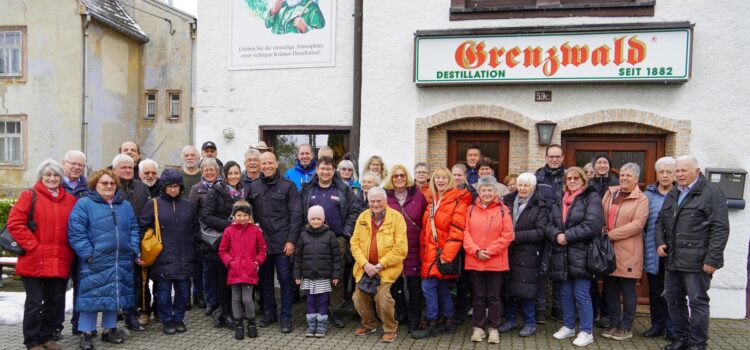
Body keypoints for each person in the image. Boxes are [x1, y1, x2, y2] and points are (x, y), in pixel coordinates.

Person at [655, 156, 730, 350]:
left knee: (697, 302)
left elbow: (720, 228)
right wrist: (660, 242)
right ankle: (682, 339)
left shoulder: (711, 193)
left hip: (698, 261)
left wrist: (712, 259)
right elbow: (660, 221)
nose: (679, 174)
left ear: (697, 171)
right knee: (673, 300)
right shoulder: (674, 192)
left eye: (684, 171)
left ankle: (698, 344)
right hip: (673, 259)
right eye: (677, 171)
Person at [67, 169, 141, 350]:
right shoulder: (84, 204)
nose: (109, 186)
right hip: (95, 260)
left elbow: (133, 228)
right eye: (104, 183)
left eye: (112, 183)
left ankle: (109, 330)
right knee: (90, 298)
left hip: (120, 259)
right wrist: (88, 254)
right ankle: (86, 333)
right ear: (95, 185)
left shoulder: (124, 205)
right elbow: (76, 231)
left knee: (113, 295)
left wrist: (132, 249)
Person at [8, 159, 77, 350]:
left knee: (54, 303)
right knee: (34, 303)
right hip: (34, 260)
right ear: (41, 177)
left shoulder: (70, 200)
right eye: (48, 175)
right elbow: (15, 223)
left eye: (56, 175)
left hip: (60, 260)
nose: (52, 178)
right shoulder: (29, 195)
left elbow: (75, 228)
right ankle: (32, 341)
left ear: (61, 178)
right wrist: (33, 246)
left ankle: (46, 337)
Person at [300, 156, 362, 328]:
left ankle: (333, 312)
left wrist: (345, 232)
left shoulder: (343, 189)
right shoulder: (308, 189)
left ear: (333, 171)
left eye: (329, 169)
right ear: (317, 170)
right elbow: (299, 212)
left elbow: (355, 211)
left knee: (336, 277)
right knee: (314, 275)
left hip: (336, 239)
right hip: (311, 239)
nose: (325, 172)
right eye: (322, 169)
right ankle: (317, 311)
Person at [411, 167, 471, 340]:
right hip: (429, 252)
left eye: (445, 177)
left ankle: (432, 322)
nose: (441, 180)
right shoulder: (432, 200)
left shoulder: (457, 200)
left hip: (441, 253)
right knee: (441, 286)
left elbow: (457, 230)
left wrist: (446, 256)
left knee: (428, 286)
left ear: (450, 180)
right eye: (437, 177)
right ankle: (448, 319)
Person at [247, 152, 303, 333]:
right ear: (260, 165)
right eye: (264, 163)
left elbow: (296, 215)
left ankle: (285, 317)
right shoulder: (253, 186)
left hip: (282, 243)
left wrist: (291, 240)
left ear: (277, 163)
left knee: (286, 280)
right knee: (265, 280)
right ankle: (270, 313)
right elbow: (248, 213)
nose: (267, 166)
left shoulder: (288, 186)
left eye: (270, 163)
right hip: (262, 244)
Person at [548, 167, 603, 347]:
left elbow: (593, 225)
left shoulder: (591, 197)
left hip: (582, 253)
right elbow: (549, 223)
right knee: (565, 293)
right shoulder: (559, 198)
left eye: (576, 178)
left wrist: (567, 236)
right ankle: (569, 326)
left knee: (581, 294)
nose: (572, 181)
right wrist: (556, 235)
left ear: (583, 180)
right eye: (568, 178)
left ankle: (587, 331)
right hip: (561, 254)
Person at [139, 169, 197, 335]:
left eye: (176, 186)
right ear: (164, 187)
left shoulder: (188, 205)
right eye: (170, 186)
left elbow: (195, 229)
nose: (173, 189)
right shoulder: (153, 204)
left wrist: (193, 247)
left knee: (184, 292)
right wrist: (139, 251)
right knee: (163, 293)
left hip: (184, 256)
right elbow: (142, 228)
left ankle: (179, 318)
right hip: (161, 257)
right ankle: (166, 319)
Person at [350, 187, 408, 343]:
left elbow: (401, 248)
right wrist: (365, 264)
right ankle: (369, 324)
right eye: (372, 201)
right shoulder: (362, 217)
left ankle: (390, 328)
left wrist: (381, 264)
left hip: (386, 269)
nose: (375, 204)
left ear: (385, 200)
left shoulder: (397, 218)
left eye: (378, 201)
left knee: (382, 298)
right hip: (365, 268)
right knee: (358, 297)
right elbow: (354, 243)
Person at [463, 176, 514, 344]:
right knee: (478, 296)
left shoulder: (502, 210)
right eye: (483, 190)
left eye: (489, 190)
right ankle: (478, 328)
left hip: (495, 262)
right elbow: (466, 234)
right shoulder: (470, 209)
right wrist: (477, 251)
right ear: (478, 192)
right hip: (475, 260)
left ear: (495, 192)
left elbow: (508, 235)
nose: (486, 193)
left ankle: (493, 328)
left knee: (493, 297)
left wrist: (489, 251)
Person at [601, 163, 649, 341]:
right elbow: (600, 214)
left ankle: (626, 326)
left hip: (629, 250)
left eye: (628, 175)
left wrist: (611, 234)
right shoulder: (611, 193)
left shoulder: (641, 199)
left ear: (636, 179)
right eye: (622, 175)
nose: (624, 178)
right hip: (608, 251)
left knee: (628, 290)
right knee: (611, 289)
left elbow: (637, 225)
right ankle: (614, 322)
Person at [500, 172, 548, 337]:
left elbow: (541, 232)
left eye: (526, 185)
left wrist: (516, 236)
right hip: (507, 251)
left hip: (528, 254)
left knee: (526, 288)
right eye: (520, 185)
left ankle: (530, 322)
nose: (522, 188)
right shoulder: (506, 201)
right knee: (509, 287)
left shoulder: (539, 205)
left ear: (533, 188)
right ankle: (510, 320)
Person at [200, 161, 246, 329]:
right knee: (223, 280)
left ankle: (229, 312)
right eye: (231, 173)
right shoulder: (216, 191)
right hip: (221, 243)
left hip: (240, 244)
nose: (234, 176)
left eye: (236, 173)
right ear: (225, 175)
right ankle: (224, 313)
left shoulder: (243, 191)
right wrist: (229, 225)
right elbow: (205, 216)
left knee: (235, 279)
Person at [384, 164, 427, 333]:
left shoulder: (418, 195)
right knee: (396, 283)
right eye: (395, 176)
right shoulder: (386, 197)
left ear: (407, 177)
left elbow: (424, 221)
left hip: (414, 246)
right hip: (393, 247)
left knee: (414, 285)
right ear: (391, 178)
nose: (399, 178)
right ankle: (401, 313)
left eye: (402, 175)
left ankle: (414, 319)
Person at [112, 154, 151, 330]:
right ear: (114, 170)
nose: (128, 170)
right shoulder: (109, 187)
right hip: (114, 243)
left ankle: (132, 315)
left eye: (130, 167)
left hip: (137, 241)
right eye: (123, 167)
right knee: (114, 282)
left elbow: (147, 216)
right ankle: (111, 318)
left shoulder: (142, 188)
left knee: (135, 282)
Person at [219, 200, 268, 340]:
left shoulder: (255, 230)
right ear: (234, 216)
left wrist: (256, 262)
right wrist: (231, 262)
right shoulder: (229, 231)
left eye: (245, 215)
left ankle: (251, 323)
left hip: (249, 271)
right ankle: (238, 323)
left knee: (247, 299)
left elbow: (262, 249)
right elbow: (222, 250)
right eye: (239, 215)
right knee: (235, 298)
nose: (242, 218)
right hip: (234, 271)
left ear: (250, 216)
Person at [294, 205, 342, 338]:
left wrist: (335, 274)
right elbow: (297, 257)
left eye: (318, 218)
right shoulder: (303, 235)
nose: (315, 221)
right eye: (313, 218)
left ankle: (321, 326)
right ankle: (311, 325)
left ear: (323, 220)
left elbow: (336, 257)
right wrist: (297, 275)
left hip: (324, 277)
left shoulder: (330, 235)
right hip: (308, 277)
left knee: (322, 301)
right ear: (309, 220)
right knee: (310, 301)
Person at [642, 157, 677, 340]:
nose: (665, 175)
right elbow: (643, 224)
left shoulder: (681, 194)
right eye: (661, 172)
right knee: (655, 292)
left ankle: (672, 328)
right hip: (652, 251)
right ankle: (657, 325)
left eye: (669, 172)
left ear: (675, 173)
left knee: (672, 291)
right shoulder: (648, 195)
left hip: (675, 253)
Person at [534, 144, 566, 324]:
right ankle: (539, 310)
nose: (554, 159)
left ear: (562, 157)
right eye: (551, 156)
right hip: (541, 228)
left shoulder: (569, 175)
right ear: (546, 157)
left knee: (559, 271)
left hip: (561, 229)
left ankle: (558, 308)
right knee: (541, 271)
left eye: (557, 156)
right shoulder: (537, 176)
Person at [58, 150, 88, 337]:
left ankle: (79, 325)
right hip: (61, 246)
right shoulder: (56, 184)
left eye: (80, 165)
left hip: (82, 246)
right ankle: (55, 327)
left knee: (82, 288)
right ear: (64, 163)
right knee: (57, 290)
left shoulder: (89, 187)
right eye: (73, 163)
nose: (76, 167)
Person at [189, 158, 221, 316]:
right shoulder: (196, 189)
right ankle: (210, 301)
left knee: (221, 270)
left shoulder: (223, 187)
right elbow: (192, 213)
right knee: (208, 271)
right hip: (205, 236)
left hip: (221, 235)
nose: (209, 172)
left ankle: (221, 300)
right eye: (206, 170)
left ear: (217, 171)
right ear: (202, 172)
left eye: (212, 169)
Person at [449, 163, 476, 325]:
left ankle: (461, 311)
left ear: (465, 176)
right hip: (450, 239)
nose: (457, 177)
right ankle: (449, 310)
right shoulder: (447, 192)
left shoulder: (472, 193)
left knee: (464, 279)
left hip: (465, 240)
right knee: (449, 277)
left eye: (459, 175)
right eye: (454, 174)